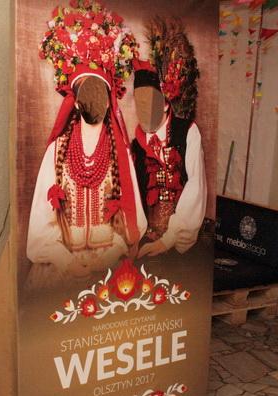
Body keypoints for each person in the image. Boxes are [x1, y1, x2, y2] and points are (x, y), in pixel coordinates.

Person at [27, 1, 146, 288]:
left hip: (108, 270)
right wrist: (67, 262)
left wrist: (108, 258)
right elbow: (38, 232)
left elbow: (134, 222)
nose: (95, 101)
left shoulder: (118, 153)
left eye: (100, 94)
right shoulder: (57, 152)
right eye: (88, 94)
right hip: (62, 271)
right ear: (76, 102)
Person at [131, 17, 206, 259]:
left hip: (180, 247)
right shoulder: (135, 145)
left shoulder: (188, 133)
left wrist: (169, 240)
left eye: (149, 102)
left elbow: (195, 188)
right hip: (145, 243)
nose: (143, 110)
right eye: (139, 103)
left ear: (165, 104)